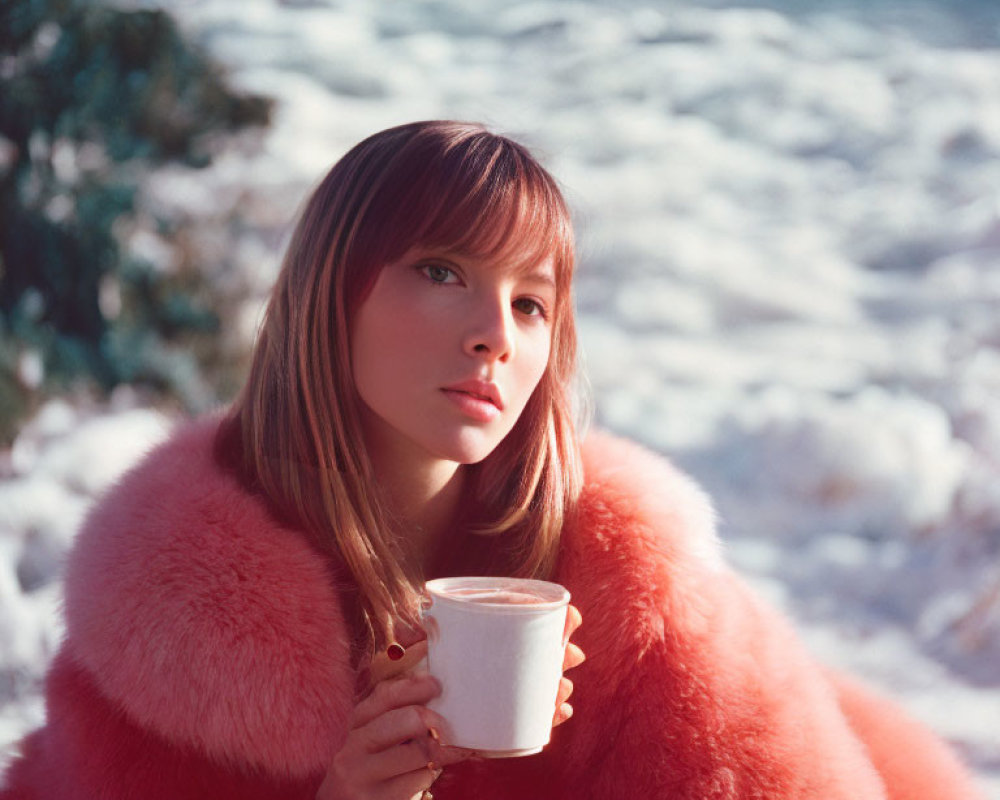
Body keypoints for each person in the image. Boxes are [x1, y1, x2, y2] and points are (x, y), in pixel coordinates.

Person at [0, 121, 986, 800]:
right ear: (327, 293)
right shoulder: (166, 619)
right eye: (442, 272)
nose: (494, 336)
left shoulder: (634, 588)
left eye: (530, 301)